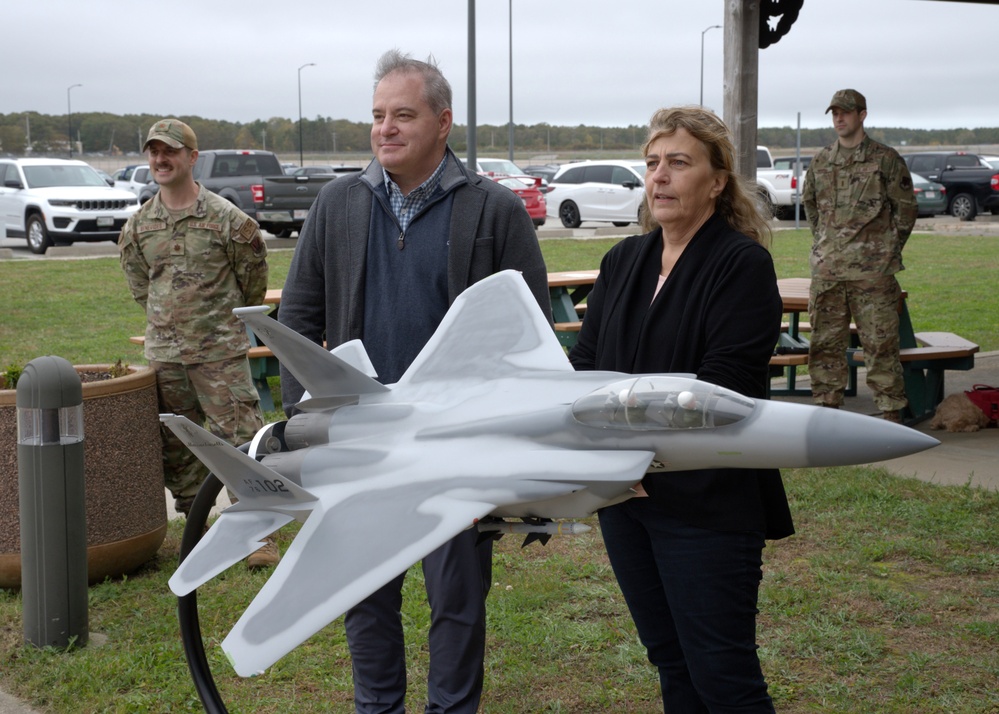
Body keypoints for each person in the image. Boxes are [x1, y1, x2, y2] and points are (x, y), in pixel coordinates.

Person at [277, 50, 550, 713]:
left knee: (456, 601)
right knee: (363, 594)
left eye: (403, 114)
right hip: (360, 440)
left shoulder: (492, 211)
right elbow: (298, 317)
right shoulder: (338, 205)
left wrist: (512, 454)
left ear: (442, 122)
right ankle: (378, 708)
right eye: (376, 116)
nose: (385, 129)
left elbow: (529, 335)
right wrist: (303, 424)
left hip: (453, 444)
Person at [569, 105, 794, 713]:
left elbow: (721, 390)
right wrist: (613, 465)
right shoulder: (623, 263)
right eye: (651, 163)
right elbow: (585, 374)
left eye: (678, 162)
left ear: (718, 180)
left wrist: (632, 456)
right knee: (670, 661)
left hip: (706, 504)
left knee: (723, 675)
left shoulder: (741, 266)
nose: (659, 176)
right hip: (624, 502)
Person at [118, 118, 279, 568]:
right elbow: (140, 287)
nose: (160, 159)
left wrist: (210, 325)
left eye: (170, 151)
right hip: (165, 357)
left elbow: (251, 285)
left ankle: (258, 535)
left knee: (242, 442)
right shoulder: (139, 227)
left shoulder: (229, 221)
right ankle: (199, 531)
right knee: (177, 448)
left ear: (191, 157)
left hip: (219, 355)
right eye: (153, 152)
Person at [802, 89, 918, 422]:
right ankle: (827, 407)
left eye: (846, 112)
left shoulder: (885, 159)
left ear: (862, 115)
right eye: (835, 113)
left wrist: (885, 249)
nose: (839, 118)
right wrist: (826, 242)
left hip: (873, 273)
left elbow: (906, 210)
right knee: (825, 342)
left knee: (880, 344)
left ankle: (891, 411)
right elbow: (811, 205)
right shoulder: (822, 160)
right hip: (828, 271)